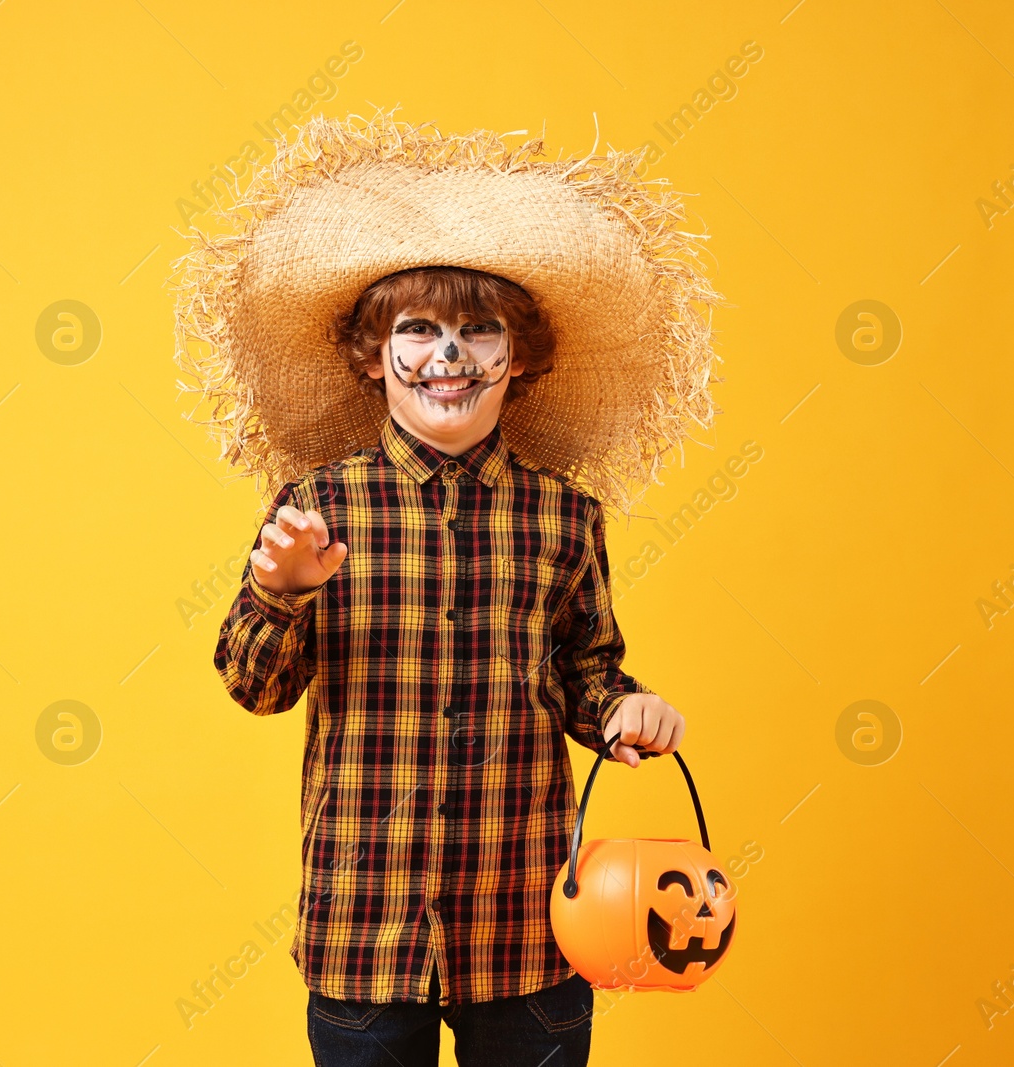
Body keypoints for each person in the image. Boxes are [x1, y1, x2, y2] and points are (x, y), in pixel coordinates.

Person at [173, 113, 721, 1067]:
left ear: (519, 356)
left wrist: (623, 708)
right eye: (418, 329)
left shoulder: (565, 519)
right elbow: (252, 686)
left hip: (528, 934)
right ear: (374, 353)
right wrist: (281, 592)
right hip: (364, 932)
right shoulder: (317, 505)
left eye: (479, 330)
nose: (448, 355)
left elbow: (584, 671)